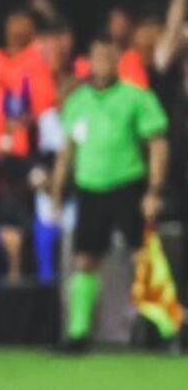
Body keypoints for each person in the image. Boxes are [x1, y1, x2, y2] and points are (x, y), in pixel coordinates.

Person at [52, 33, 168, 351]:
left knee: (143, 255)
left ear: (118, 60)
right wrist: (57, 192)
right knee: (86, 259)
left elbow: (157, 145)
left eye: (110, 56)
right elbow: (67, 152)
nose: (103, 62)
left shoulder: (136, 98)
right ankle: (77, 334)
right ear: (90, 60)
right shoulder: (79, 102)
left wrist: (154, 191)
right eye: (98, 56)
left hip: (128, 184)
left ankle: (163, 328)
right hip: (90, 188)